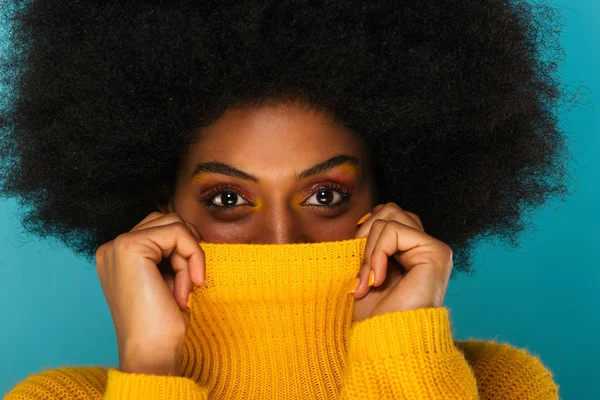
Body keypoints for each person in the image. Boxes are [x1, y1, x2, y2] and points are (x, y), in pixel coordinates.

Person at [0, 0, 573, 398]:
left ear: (390, 199)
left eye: (325, 194)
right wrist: (150, 367)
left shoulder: (500, 385)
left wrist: (402, 355)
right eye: (227, 198)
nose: (281, 239)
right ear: (162, 212)